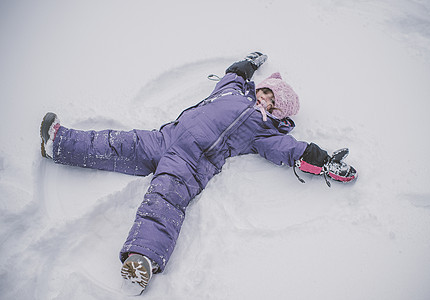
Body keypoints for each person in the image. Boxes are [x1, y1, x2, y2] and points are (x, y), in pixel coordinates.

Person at [39, 52, 357, 295]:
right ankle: (59, 143)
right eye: (265, 92)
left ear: (277, 113)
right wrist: (249, 62)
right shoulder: (233, 91)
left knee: (164, 201)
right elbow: (234, 74)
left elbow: (291, 150)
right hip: (165, 138)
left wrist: (324, 160)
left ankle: (141, 260)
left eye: (272, 102)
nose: (264, 100)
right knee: (117, 143)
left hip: (191, 162)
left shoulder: (263, 130)